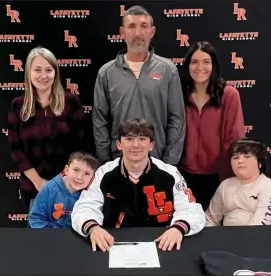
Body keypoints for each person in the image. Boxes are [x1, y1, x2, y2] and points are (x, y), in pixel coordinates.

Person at [72, 118, 205, 252]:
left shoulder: (170, 173)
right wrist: (93, 229)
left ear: (151, 144)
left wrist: (178, 228)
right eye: (129, 139)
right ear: (118, 144)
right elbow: (84, 207)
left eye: (142, 139)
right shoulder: (104, 173)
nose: (135, 145)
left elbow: (191, 209)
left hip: (162, 243)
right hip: (112, 244)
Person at [92, 5, 185, 166]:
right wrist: (107, 162)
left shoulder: (168, 69)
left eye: (143, 26)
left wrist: (169, 163)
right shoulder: (106, 73)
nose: (137, 33)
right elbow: (100, 121)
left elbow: (177, 119)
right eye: (131, 26)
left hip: (158, 161)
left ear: (152, 31)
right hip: (118, 162)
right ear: (122, 32)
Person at [7, 46, 86, 209]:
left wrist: (63, 181)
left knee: (68, 233)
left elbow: (81, 146)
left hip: (69, 185)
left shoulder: (71, 102)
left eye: (48, 70)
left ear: (55, 73)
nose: (43, 76)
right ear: (29, 72)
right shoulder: (18, 105)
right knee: (37, 233)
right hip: (33, 187)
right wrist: (38, 182)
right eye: (37, 70)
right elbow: (16, 150)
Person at [178, 41, 245, 211]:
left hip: (218, 177)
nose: (200, 67)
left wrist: (226, 178)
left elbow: (234, 139)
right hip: (184, 175)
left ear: (213, 65)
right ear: (187, 65)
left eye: (206, 61)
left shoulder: (229, 95)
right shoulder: (178, 95)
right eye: (194, 62)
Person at [205, 137, 271, 226]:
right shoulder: (225, 185)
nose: (240, 161)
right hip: (225, 238)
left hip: (259, 238)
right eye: (235, 157)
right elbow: (210, 219)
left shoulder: (269, 188)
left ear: (260, 163)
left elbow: (262, 229)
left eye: (247, 156)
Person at [29, 151, 99, 228]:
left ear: (92, 178)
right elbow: (36, 218)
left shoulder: (92, 195)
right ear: (66, 170)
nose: (79, 177)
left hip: (79, 236)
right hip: (50, 235)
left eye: (87, 173)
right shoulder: (49, 188)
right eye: (76, 170)